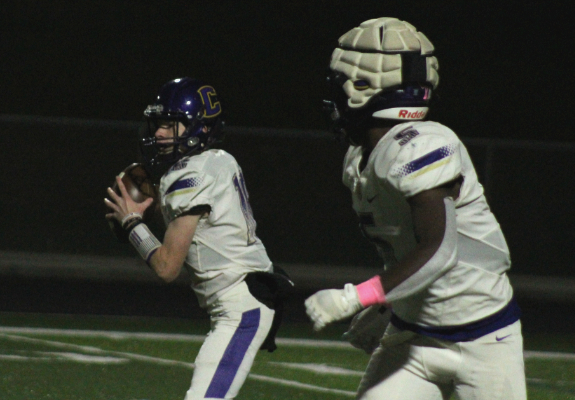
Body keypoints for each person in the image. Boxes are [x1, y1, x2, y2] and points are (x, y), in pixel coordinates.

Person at [305, 18, 527, 399]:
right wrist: (388, 305)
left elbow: (439, 250)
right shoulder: (361, 157)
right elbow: (408, 249)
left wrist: (354, 297)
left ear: (364, 88)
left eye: (342, 82)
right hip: (412, 334)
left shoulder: (421, 145)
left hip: (483, 341)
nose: (334, 96)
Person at [105, 77, 292, 399]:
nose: (159, 133)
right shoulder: (215, 162)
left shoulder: (193, 174)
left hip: (240, 307)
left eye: (170, 124)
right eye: (157, 124)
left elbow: (166, 267)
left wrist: (133, 223)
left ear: (200, 129)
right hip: (245, 296)